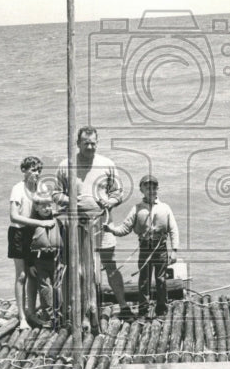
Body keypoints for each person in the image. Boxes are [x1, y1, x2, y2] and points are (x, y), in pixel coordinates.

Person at [54, 126, 131, 318]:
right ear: (77, 143)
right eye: (86, 143)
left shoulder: (107, 164)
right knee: (78, 268)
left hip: (102, 224)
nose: (90, 147)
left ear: (97, 143)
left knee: (110, 265)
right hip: (76, 226)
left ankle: (124, 306)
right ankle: (79, 310)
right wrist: (73, 201)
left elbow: (118, 193)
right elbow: (56, 194)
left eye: (93, 143)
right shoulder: (66, 165)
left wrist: (110, 201)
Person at [104, 175, 179, 319]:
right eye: (147, 187)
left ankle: (161, 310)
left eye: (153, 187)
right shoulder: (137, 209)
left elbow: (174, 230)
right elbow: (125, 229)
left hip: (161, 248)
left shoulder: (165, 208)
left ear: (157, 189)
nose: (151, 190)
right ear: (142, 190)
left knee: (161, 279)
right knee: (144, 280)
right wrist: (111, 230)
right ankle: (143, 311)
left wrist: (174, 251)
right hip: (144, 248)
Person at [8, 156, 55, 329]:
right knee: (21, 276)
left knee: (35, 274)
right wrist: (41, 223)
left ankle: (32, 312)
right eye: (33, 170)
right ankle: (22, 318)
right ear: (24, 170)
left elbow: (47, 209)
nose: (36, 174)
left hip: (34, 234)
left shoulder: (41, 187)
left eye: (39, 171)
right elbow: (14, 216)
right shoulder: (18, 189)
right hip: (19, 233)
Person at [27, 193, 65, 328]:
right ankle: (48, 316)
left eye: (49, 205)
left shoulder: (58, 222)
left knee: (57, 287)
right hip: (39, 261)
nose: (47, 208)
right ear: (36, 208)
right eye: (43, 206)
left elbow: (64, 240)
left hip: (57, 260)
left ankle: (59, 314)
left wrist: (64, 260)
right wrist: (30, 264)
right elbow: (27, 246)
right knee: (45, 288)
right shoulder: (32, 224)